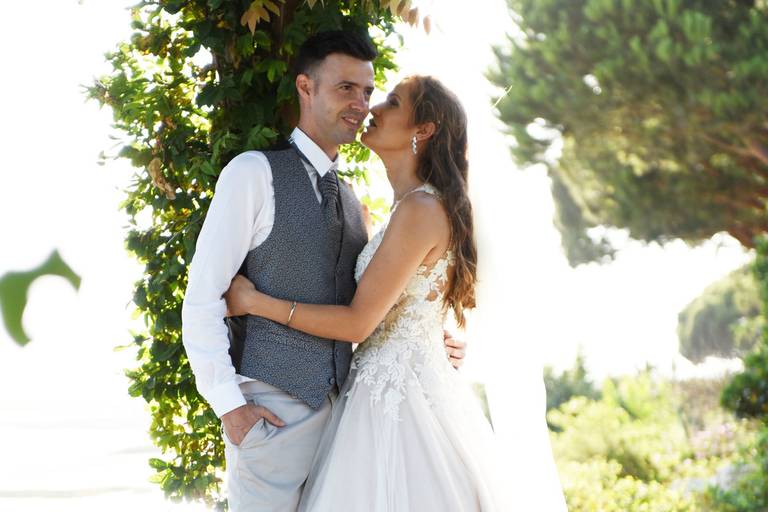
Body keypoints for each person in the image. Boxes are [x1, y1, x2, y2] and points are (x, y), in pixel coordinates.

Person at [180, 30, 466, 512]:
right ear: (305, 87)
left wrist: (427, 336)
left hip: (351, 422)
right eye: (345, 88)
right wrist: (230, 407)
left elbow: (367, 306)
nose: (361, 104)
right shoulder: (253, 173)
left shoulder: (354, 203)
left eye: (368, 92)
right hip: (271, 415)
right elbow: (203, 296)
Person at [224, 75, 512, 510]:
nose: (372, 109)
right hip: (375, 387)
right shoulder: (406, 208)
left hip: (399, 405)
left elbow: (359, 322)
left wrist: (254, 302)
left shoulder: (420, 209)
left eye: (392, 102)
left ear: (423, 129)